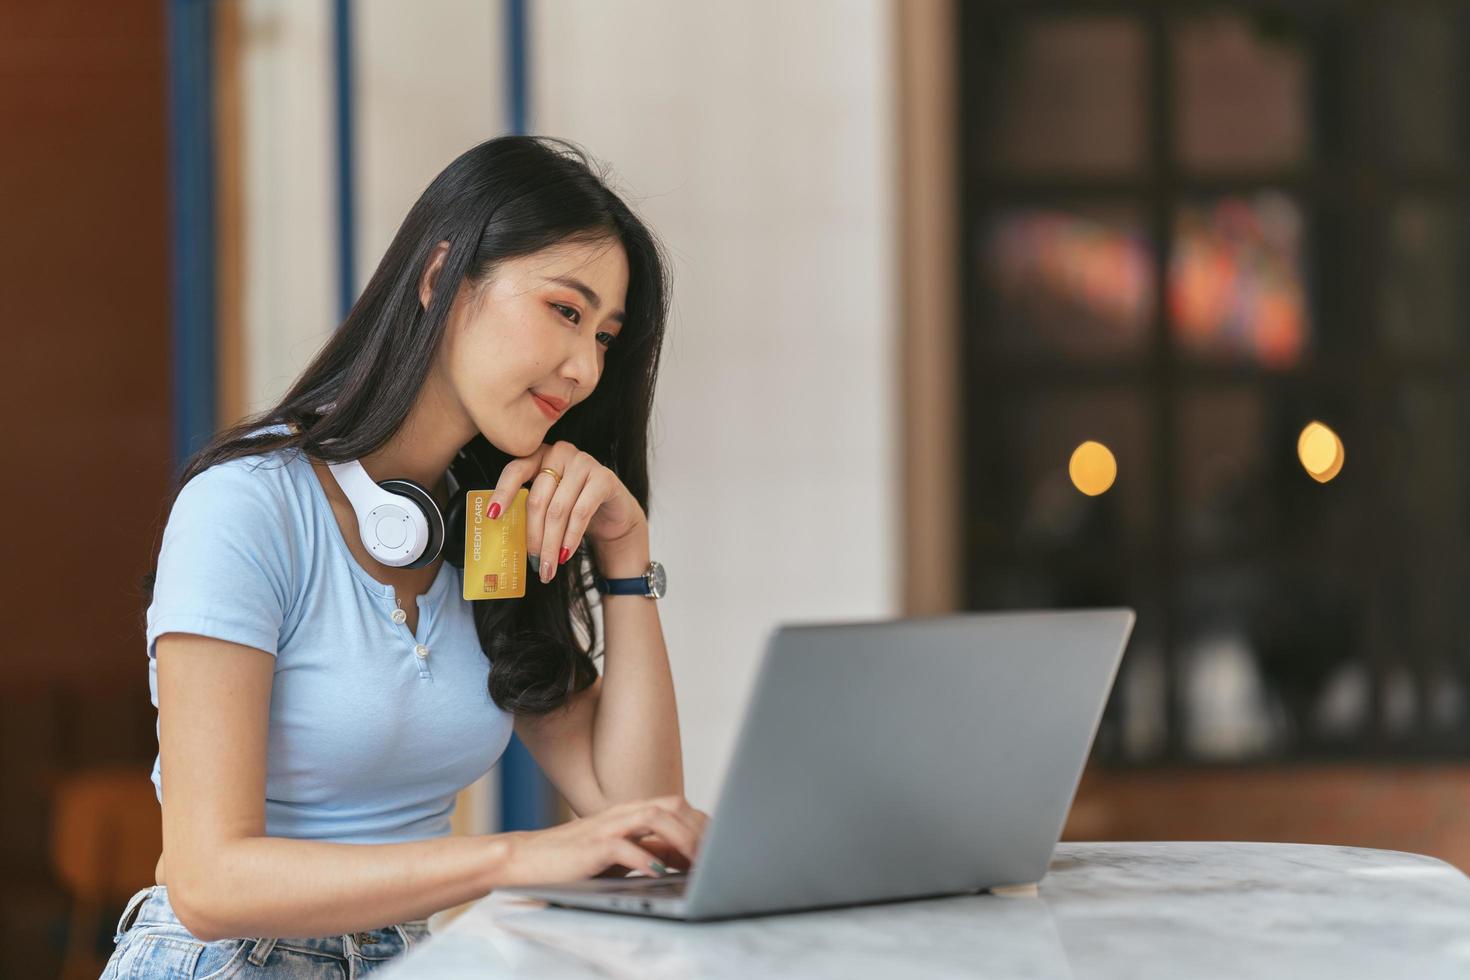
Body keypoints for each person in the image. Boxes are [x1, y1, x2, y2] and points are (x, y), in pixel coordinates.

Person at [101, 135, 707, 979]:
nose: (584, 367)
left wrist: (624, 554)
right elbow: (208, 881)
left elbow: (642, 819)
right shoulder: (246, 505)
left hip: (405, 960)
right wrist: (511, 858)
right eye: (566, 311)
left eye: (606, 337)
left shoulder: (489, 529)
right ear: (440, 279)